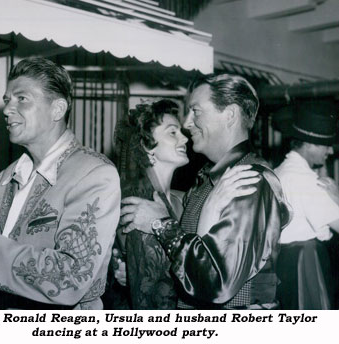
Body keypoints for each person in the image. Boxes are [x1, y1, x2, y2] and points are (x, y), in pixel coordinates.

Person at [0, 57, 121, 309]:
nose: (6, 109)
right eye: (7, 100)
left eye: (21, 99)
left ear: (57, 110)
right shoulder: (5, 178)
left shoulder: (94, 173)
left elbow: (69, 279)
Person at [121, 73, 291, 309]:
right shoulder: (208, 177)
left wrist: (161, 224)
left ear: (229, 115)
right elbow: (188, 268)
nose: (187, 123)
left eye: (196, 111)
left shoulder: (248, 180)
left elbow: (216, 280)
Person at [110, 99, 261, 310]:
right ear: (146, 146)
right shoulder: (139, 209)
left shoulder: (181, 199)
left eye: (181, 131)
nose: (184, 138)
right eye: (172, 132)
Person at [274, 100, 339, 309]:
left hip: (284, 260)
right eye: (325, 144)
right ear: (310, 144)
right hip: (305, 261)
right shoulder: (305, 180)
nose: (329, 151)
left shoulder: (280, 171)